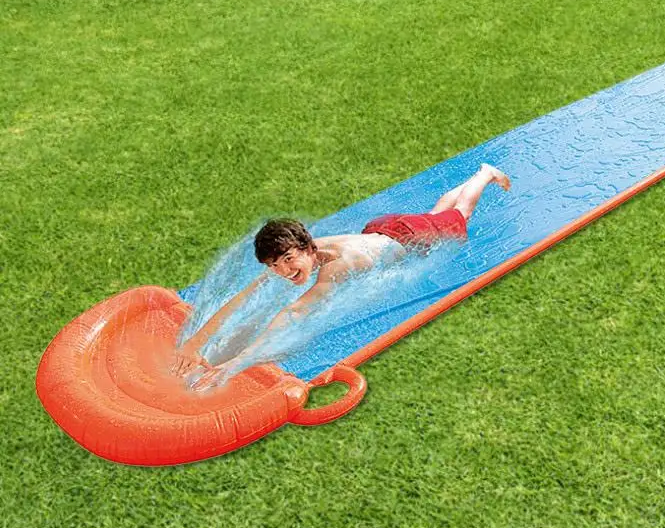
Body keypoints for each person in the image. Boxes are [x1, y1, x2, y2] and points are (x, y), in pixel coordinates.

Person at [172, 163, 511, 389]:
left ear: (307, 248)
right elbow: (243, 298)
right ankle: (470, 180)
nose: (284, 271)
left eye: (288, 260)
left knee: (460, 214)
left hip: (409, 237)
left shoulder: (336, 267)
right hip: (383, 231)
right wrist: (194, 343)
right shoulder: (305, 251)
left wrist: (236, 363)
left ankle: (484, 174)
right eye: (275, 266)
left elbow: (294, 312)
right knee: (436, 214)